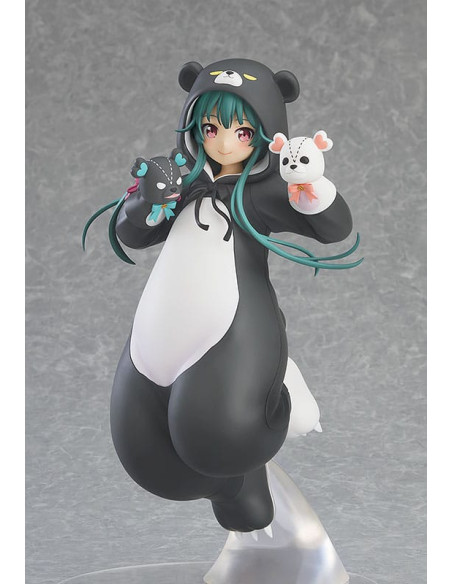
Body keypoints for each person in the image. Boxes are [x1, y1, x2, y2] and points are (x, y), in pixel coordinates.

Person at [89, 58, 360, 533]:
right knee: (147, 458)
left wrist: (312, 185)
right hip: (153, 338)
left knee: (221, 440)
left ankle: (279, 384)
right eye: (211, 127)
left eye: (243, 132)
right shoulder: (180, 177)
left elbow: (334, 227)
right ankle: (239, 492)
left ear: (265, 133)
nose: (224, 143)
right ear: (193, 125)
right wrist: (147, 200)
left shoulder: (262, 192)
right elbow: (132, 233)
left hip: (229, 336)